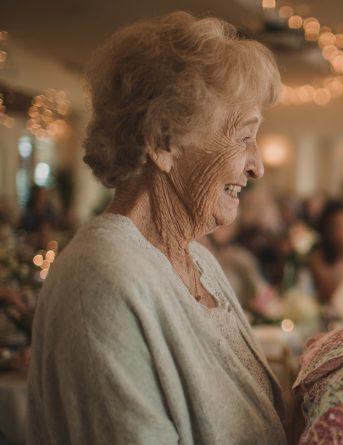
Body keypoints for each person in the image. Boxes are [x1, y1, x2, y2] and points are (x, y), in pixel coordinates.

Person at [26, 12, 288, 444]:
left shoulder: (198, 261)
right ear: (164, 140)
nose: (257, 166)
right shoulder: (102, 277)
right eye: (244, 136)